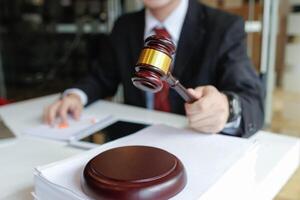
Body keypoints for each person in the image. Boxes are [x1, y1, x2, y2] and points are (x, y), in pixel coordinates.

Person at [44, 0, 264, 138]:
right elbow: (102, 77)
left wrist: (227, 110)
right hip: (138, 143)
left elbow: (252, 101)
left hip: (193, 142)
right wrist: (76, 96)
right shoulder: (124, 26)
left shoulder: (223, 27)